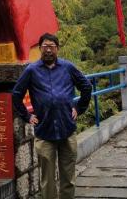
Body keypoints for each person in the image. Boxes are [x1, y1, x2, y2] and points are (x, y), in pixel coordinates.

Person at [12, 33, 92, 199]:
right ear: (40, 49)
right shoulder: (31, 70)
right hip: (45, 131)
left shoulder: (68, 67)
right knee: (47, 180)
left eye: (52, 47)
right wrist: (28, 117)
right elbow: (16, 95)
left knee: (68, 177)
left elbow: (86, 87)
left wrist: (79, 108)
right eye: (45, 47)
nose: (48, 50)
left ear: (57, 49)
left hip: (67, 129)